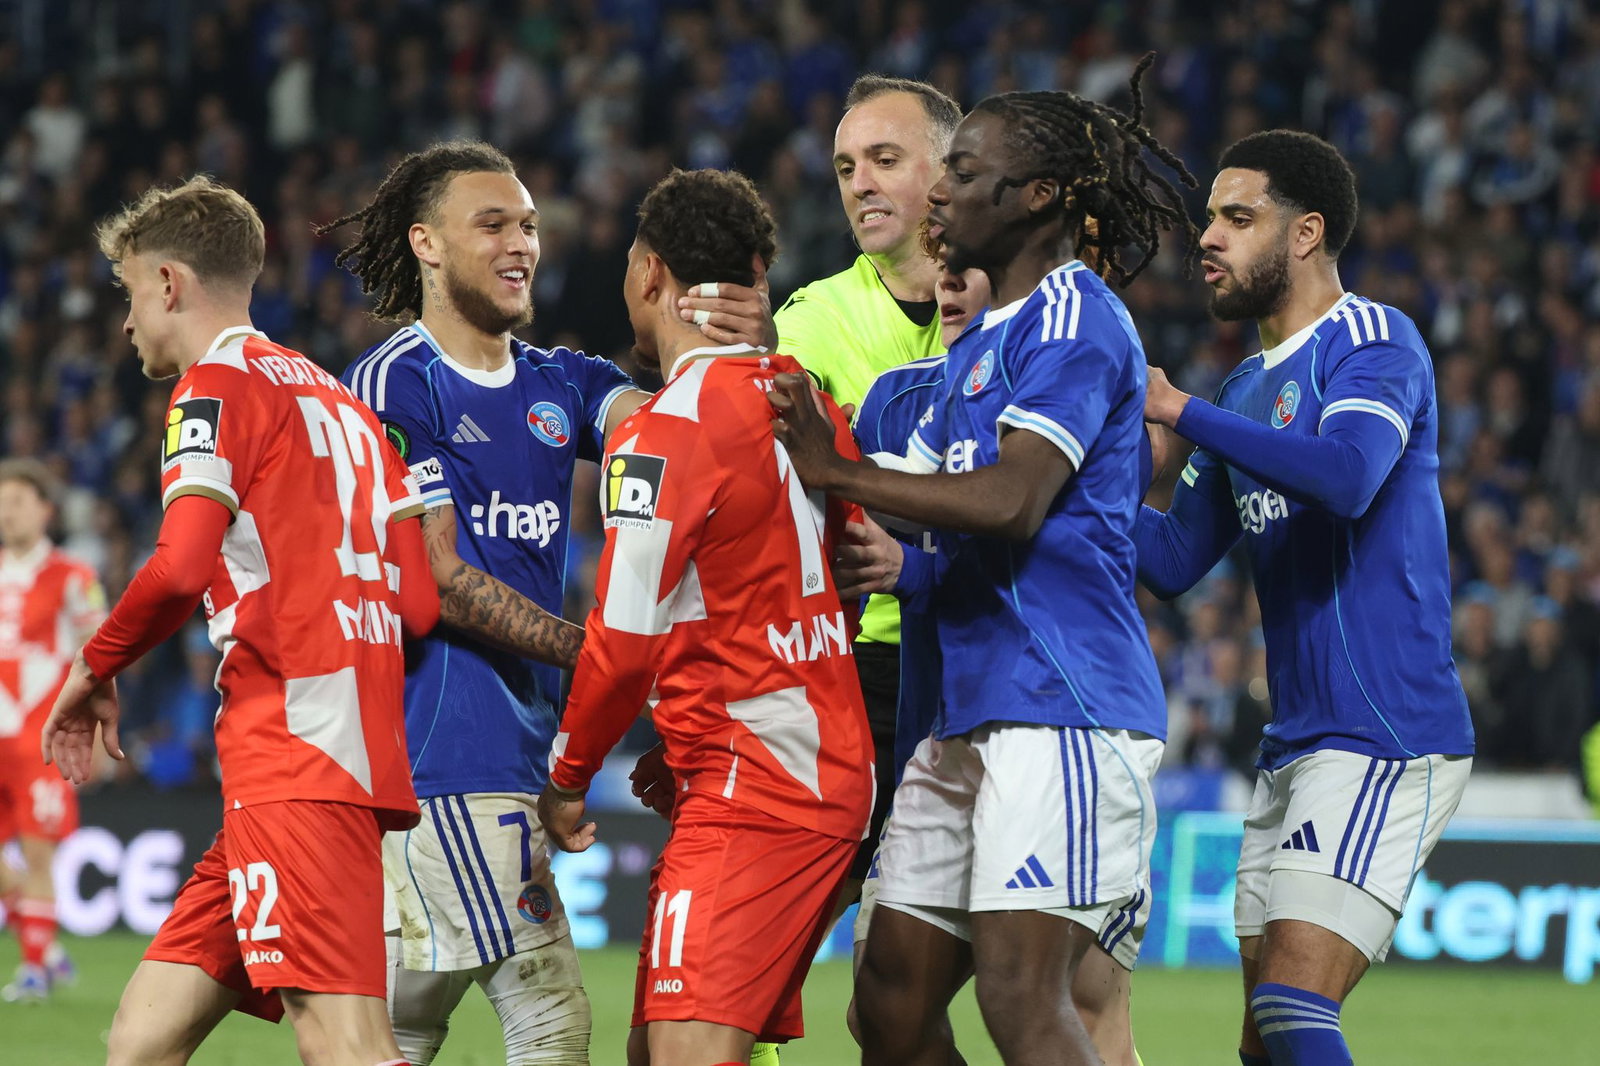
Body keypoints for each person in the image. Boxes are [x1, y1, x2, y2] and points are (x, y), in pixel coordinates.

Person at [767, 69, 1197, 1066]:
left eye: (961, 172)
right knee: (889, 1004)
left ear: (1037, 195)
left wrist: (837, 467)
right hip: (962, 716)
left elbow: (1011, 500)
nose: (940, 194)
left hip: (1064, 708)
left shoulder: (1074, 318)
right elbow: (934, 538)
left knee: (1020, 993)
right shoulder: (969, 356)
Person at [320, 140, 772, 1066]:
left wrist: (740, 343)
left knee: (402, 1026)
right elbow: (437, 578)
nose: (523, 242)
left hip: (512, 753)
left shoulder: (563, 382)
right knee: (548, 1015)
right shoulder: (395, 381)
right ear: (426, 245)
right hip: (439, 743)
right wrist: (605, 653)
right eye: (492, 224)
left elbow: (683, 425)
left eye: (528, 223)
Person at [44, 175, 438, 1065]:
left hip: (294, 750)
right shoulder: (349, 409)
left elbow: (181, 566)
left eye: (131, 294)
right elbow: (417, 605)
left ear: (170, 284)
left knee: (345, 1046)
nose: (127, 322)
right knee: (140, 1041)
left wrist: (95, 664)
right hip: (339, 749)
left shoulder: (214, 388)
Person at [1135, 129, 1475, 1066]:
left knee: (1293, 1009)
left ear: (1306, 232)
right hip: (1294, 744)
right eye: (1209, 217)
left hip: (1387, 732)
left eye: (1237, 218)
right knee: (1263, 1043)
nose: (1209, 236)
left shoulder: (1374, 340)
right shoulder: (1241, 390)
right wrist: (1078, 479)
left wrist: (1181, 412)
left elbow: (1349, 476)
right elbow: (1167, 562)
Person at [537, 167, 874, 1066]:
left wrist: (567, 779)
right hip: (806, 763)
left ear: (649, 273)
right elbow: (848, 561)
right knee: (654, 1052)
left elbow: (621, 646)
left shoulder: (661, 432)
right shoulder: (798, 397)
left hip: (757, 788)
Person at [682, 76, 961, 923]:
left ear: (950, 172)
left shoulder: (1017, 304)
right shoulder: (815, 320)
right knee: (781, 931)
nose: (860, 184)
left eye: (884, 159)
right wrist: (754, 364)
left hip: (997, 659)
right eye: (845, 167)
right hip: (869, 664)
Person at [0, 458, 104, 1001]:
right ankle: (48, 950)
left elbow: (100, 651)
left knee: (38, 853)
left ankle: (35, 970)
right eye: (2, 501)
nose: (7, 512)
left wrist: (94, 721)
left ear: (44, 510)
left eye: (18, 501)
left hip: (40, 733)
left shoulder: (73, 577)